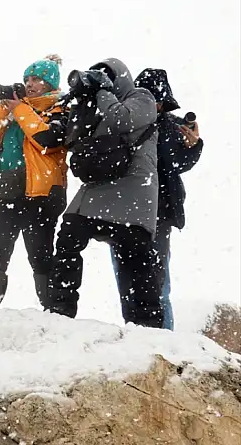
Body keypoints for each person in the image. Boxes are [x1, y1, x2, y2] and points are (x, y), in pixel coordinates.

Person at [43, 58, 163, 328]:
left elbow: (122, 119)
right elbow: (74, 140)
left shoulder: (141, 97)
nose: (101, 79)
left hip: (133, 192)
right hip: (96, 190)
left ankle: (148, 325)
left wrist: (103, 92)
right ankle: (59, 310)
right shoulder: (98, 104)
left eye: (107, 75)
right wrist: (84, 102)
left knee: (138, 261)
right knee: (68, 237)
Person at [0, 55, 69, 338]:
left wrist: (20, 109)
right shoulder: (17, 110)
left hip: (40, 196)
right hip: (5, 192)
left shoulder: (59, 107)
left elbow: (48, 140)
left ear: (50, 83)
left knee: (41, 257)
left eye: (36, 79)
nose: (30, 84)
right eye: (28, 79)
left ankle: (55, 316)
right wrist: (4, 108)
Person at [109, 68, 204, 330]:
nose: (155, 105)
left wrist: (193, 145)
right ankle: (136, 335)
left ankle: (164, 339)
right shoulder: (125, 122)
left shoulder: (170, 126)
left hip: (157, 213)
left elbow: (174, 163)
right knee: (127, 283)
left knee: (158, 283)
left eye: (158, 101)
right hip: (124, 212)